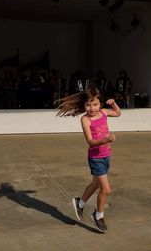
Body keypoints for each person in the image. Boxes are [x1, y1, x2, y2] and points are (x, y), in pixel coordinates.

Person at [55, 88, 121, 232]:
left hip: (106, 155)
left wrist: (114, 103)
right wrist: (106, 139)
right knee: (106, 189)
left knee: (95, 184)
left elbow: (117, 113)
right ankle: (99, 215)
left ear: (100, 104)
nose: (91, 108)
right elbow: (90, 141)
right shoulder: (85, 119)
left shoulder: (104, 112)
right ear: (84, 105)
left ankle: (80, 203)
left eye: (95, 104)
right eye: (88, 105)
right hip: (96, 158)